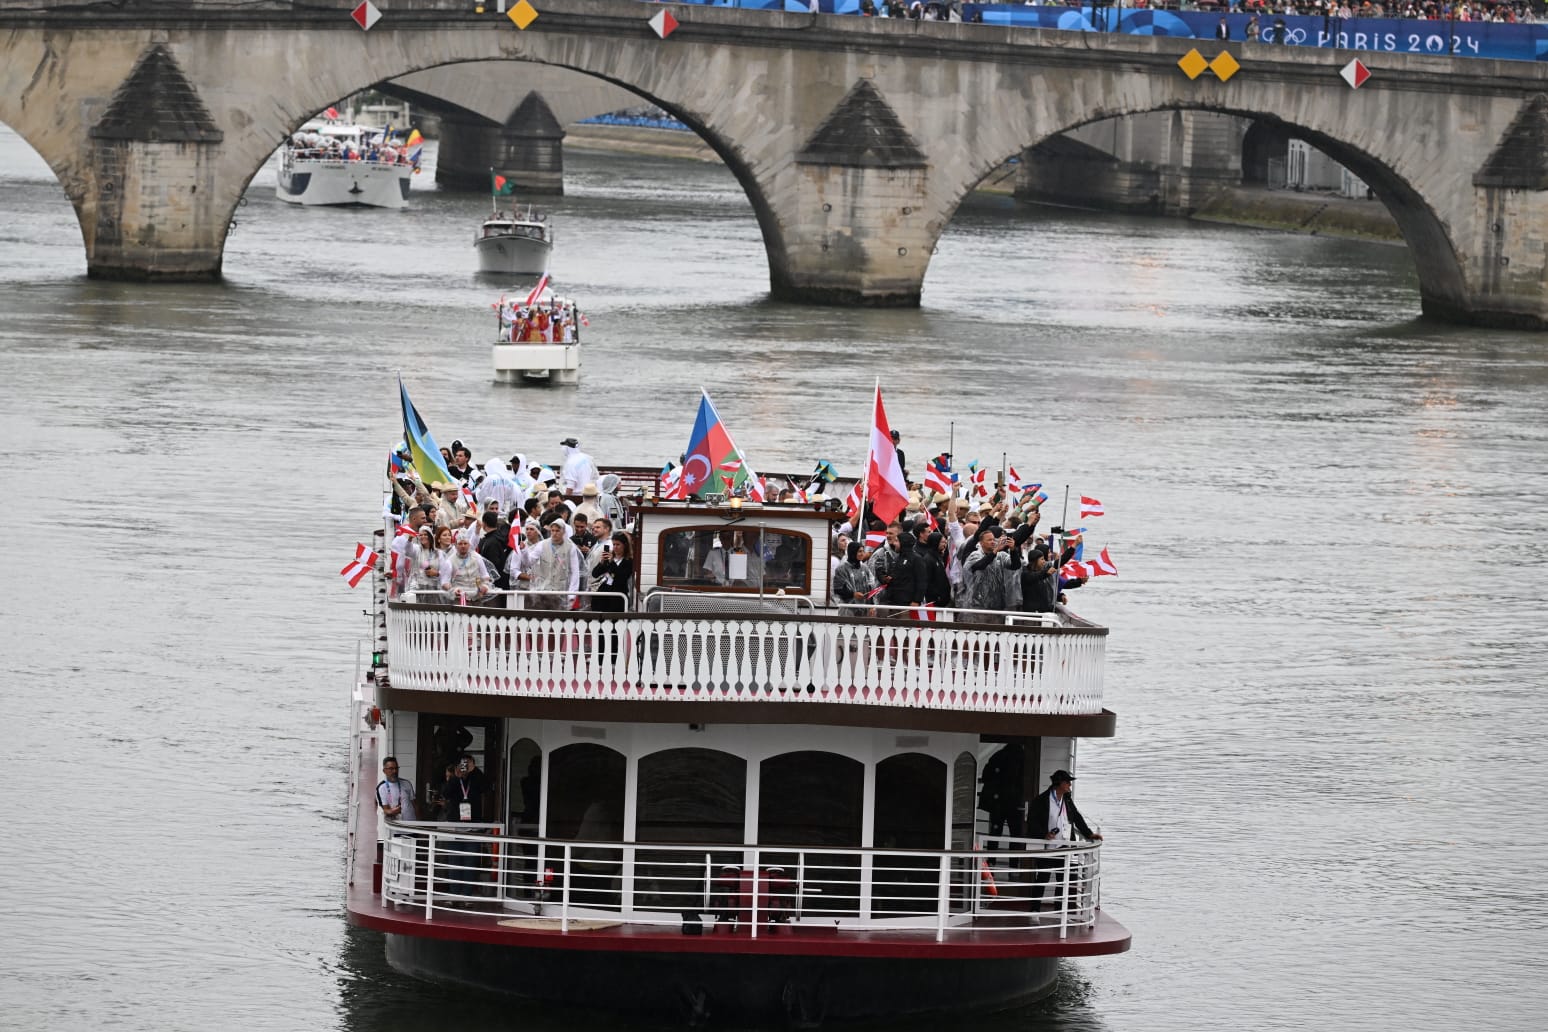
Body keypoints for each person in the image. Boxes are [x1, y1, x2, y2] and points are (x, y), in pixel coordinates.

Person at [1030, 769, 1103, 912]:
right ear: (1060, 783)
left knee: (1062, 881)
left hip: (1064, 846)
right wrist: (1043, 835)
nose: (1070, 784)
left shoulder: (1067, 799)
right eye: (1068, 782)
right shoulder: (1041, 800)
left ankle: (1059, 912)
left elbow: (1076, 818)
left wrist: (1089, 834)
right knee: (1042, 878)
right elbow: (1033, 821)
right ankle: (1034, 911)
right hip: (1047, 847)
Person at [526, 515, 583, 609]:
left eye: (557, 530)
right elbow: (529, 561)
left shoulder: (570, 547)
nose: (554, 533)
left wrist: (572, 594)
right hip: (543, 590)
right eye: (552, 530)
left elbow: (575, 572)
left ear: (563, 531)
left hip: (561, 591)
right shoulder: (542, 545)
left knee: (558, 619)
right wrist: (524, 552)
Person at [977, 743, 1025, 842]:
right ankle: (1014, 857)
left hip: (997, 802)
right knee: (1015, 835)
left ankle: (991, 857)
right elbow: (1022, 780)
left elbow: (986, 776)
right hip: (1013, 802)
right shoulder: (1020, 758)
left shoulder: (997, 756)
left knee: (995, 833)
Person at [589, 532, 634, 612]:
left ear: (625, 545)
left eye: (618, 544)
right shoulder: (610, 557)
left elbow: (622, 578)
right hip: (603, 593)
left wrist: (612, 562)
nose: (615, 547)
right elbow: (595, 574)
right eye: (614, 544)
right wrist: (601, 562)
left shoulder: (629, 561)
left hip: (617, 596)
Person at [376, 756, 416, 822]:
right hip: (396, 827)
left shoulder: (406, 783)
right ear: (384, 771)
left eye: (396, 768)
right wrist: (392, 811)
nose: (395, 771)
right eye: (391, 769)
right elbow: (385, 809)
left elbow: (414, 804)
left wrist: (419, 821)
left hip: (411, 825)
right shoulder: (381, 788)